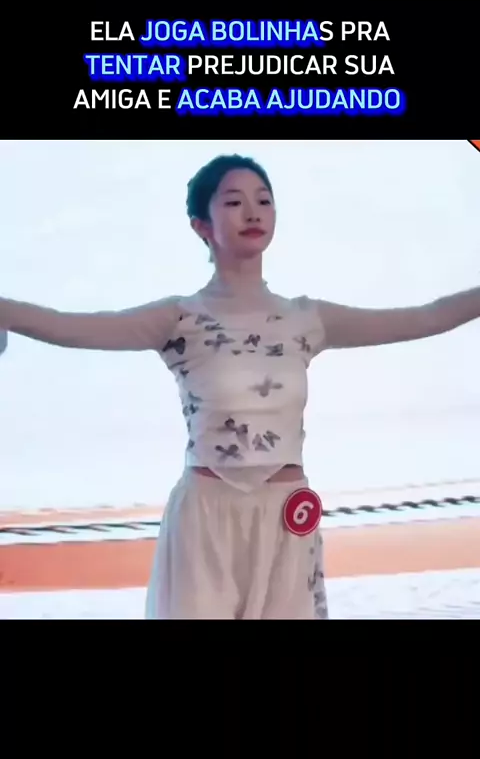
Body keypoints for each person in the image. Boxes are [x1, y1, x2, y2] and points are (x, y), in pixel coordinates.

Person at [1, 153, 479, 619]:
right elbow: (71, 326)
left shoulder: (305, 318)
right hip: (205, 522)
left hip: (288, 517)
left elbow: (423, 317)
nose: (253, 212)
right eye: (233, 202)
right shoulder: (178, 319)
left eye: (264, 200)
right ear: (201, 225)